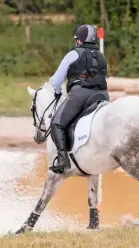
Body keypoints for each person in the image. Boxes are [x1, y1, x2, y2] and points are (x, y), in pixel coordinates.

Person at [50, 24, 110, 174]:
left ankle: (63, 160)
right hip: (103, 95)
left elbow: (57, 81)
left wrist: (57, 92)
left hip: (81, 94)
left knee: (56, 123)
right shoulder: (101, 55)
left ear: (79, 40)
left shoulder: (73, 54)